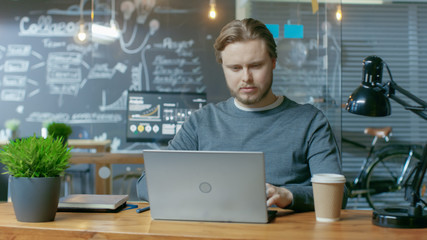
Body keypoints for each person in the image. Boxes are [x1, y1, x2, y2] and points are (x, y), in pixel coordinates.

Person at [137, 18, 346, 212]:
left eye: (256, 66)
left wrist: (288, 195)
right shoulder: (201, 122)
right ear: (223, 68)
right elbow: (146, 184)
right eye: (235, 68)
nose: (246, 77)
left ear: (273, 62)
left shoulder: (310, 122)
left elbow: (339, 195)